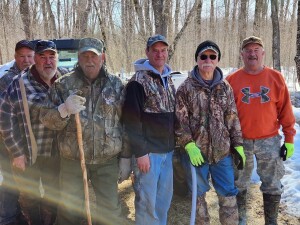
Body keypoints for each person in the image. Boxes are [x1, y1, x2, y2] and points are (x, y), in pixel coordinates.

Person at [34, 37, 127, 225]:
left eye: (93, 55)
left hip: (106, 161)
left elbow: (127, 123)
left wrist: (126, 157)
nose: (89, 60)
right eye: (85, 56)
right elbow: (45, 118)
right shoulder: (63, 84)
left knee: (110, 211)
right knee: (69, 211)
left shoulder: (116, 85)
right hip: (73, 162)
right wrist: (63, 110)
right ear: (78, 57)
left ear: (103, 57)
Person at [226, 36, 296, 225]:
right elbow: (226, 115)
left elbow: (286, 111)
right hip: (241, 142)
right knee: (239, 182)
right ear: (242, 54)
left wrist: (289, 139)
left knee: (272, 184)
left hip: (269, 140)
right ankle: (241, 220)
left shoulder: (276, 78)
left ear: (263, 53)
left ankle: (271, 222)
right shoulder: (231, 80)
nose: (252, 53)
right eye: (248, 50)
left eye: (256, 50)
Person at [175, 40, 246, 225]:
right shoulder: (185, 88)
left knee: (229, 196)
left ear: (217, 60)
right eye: (203, 56)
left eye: (212, 56)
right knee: (198, 199)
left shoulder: (225, 88)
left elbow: (232, 118)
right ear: (197, 60)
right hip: (195, 155)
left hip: (222, 154)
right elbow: (179, 121)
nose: (208, 59)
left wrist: (238, 145)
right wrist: (188, 144)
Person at [0, 40, 66, 225]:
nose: (48, 62)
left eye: (51, 57)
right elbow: (5, 119)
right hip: (29, 152)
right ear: (35, 59)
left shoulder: (65, 79)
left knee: (54, 195)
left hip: (56, 152)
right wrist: (16, 152)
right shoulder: (18, 83)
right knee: (30, 197)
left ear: (57, 58)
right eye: (42, 57)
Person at [121, 34, 175, 225]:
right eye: (155, 50)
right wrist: (141, 152)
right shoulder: (138, 81)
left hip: (167, 153)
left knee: (163, 204)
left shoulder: (168, 79)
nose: (159, 54)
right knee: (147, 205)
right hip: (149, 155)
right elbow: (131, 120)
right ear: (147, 52)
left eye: (163, 50)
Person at [0, 39, 34, 225]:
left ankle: (22, 215)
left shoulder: (34, 77)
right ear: (15, 57)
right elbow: (3, 118)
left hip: (30, 142)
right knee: (10, 183)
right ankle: (7, 218)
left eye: (30, 56)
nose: (26, 60)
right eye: (22, 56)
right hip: (8, 142)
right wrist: (15, 149)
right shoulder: (6, 81)